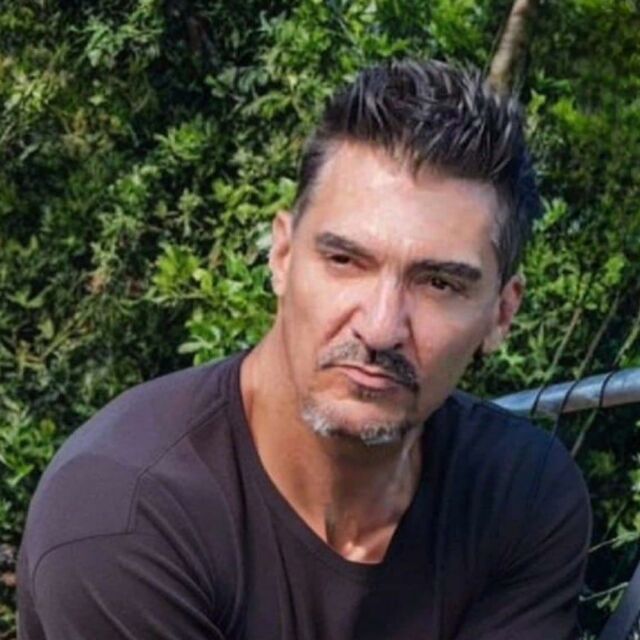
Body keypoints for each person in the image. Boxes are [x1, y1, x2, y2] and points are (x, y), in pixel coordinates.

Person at [17, 59, 591, 640]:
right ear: (282, 257)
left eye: (439, 283)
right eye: (345, 261)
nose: (380, 328)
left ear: (501, 314)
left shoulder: (522, 494)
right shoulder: (123, 516)